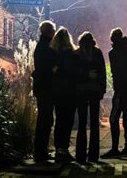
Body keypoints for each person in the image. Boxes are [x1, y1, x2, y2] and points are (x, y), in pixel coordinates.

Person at [101, 28, 127, 158]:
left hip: (121, 88)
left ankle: (115, 148)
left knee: (114, 118)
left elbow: (116, 73)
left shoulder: (113, 53)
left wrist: (118, 87)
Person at [75, 32, 106, 163]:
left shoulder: (76, 54)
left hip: (81, 91)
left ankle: (80, 155)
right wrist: (102, 90)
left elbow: (74, 72)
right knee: (94, 123)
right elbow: (102, 72)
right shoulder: (97, 53)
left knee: (82, 123)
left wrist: (84, 75)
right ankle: (93, 155)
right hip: (94, 91)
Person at [50, 27, 78, 162]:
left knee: (59, 120)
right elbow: (73, 72)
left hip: (56, 92)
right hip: (70, 92)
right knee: (67, 121)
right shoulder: (71, 54)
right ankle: (64, 149)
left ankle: (58, 149)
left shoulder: (53, 53)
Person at [32, 20, 56, 162]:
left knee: (44, 119)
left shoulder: (42, 45)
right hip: (45, 88)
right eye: (53, 30)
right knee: (45, 120)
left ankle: (40, 150)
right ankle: (41, 151)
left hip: (42, 88)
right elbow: (45, 68)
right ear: (49, 31)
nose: (54, 33)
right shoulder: (46, 47)